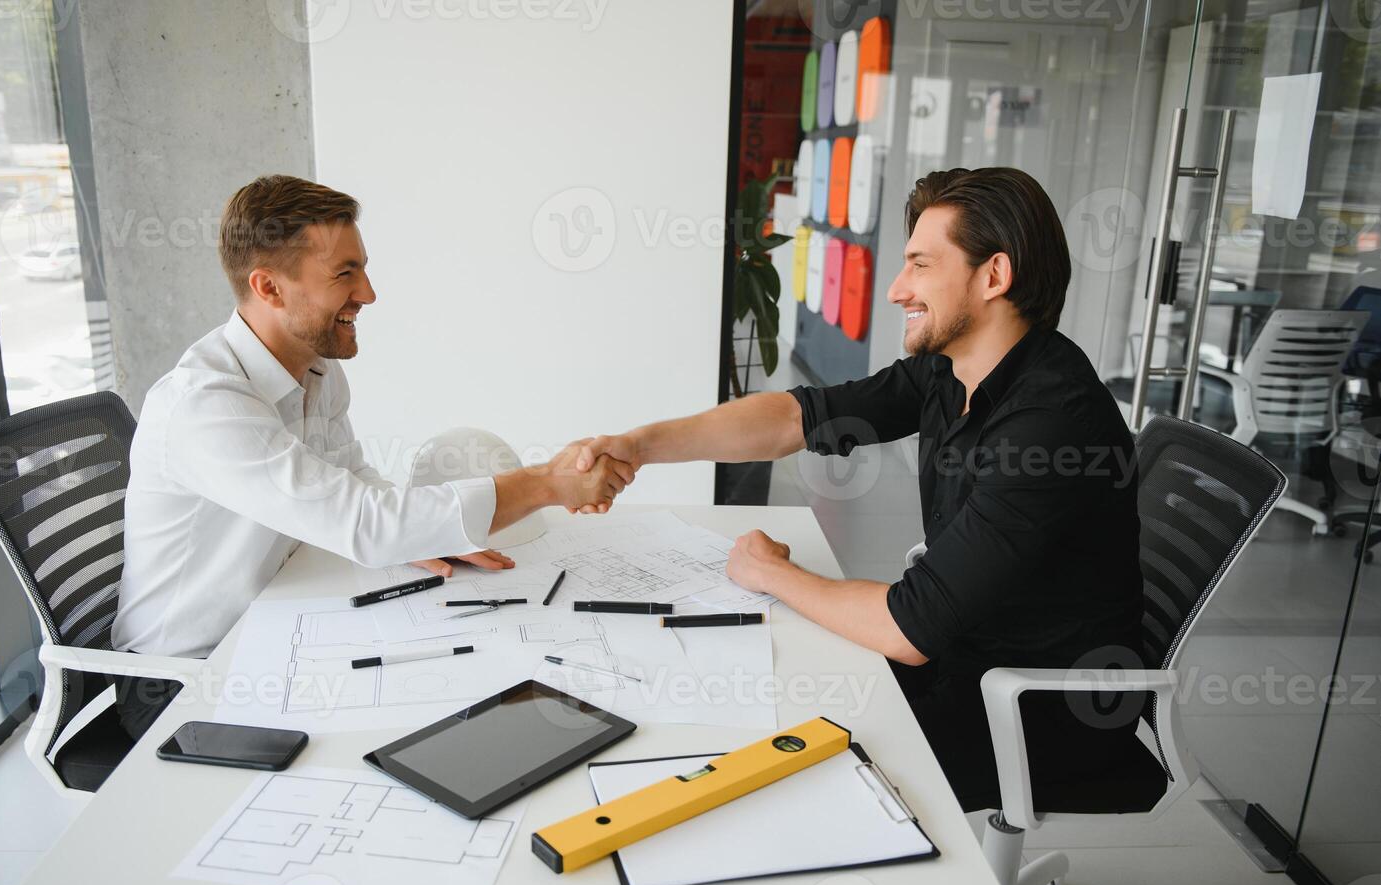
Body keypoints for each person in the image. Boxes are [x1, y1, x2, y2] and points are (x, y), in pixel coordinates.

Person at [571, 167, 1145, 811]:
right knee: (761, 687)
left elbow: (910, 628)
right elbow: (799, 417)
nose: (898, 289)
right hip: (965, 655)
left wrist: (770, 572)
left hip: (1035, 712)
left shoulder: (1049, 423)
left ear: (994, 277)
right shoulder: (950, 371)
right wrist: (642, 445)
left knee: (775, 779)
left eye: (921, 265)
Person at [111, 175, 633, 737]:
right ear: (269, 288)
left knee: (465, 674)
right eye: (344, 274)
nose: (368, 293)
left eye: (362, 267)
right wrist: (548, 483)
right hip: (182, 681)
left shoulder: (315, 367)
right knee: (420, 725)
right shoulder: (205, 408)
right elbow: (364, 524)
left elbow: (355, 482)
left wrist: (428, 535)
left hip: (273, 628)